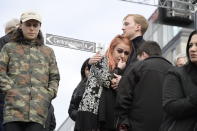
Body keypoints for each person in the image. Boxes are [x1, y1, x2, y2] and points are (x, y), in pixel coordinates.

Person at [0, 11, 60, 131]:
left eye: (35, 25)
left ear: (39, 27)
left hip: (37, 113)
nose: (31, 28)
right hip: (13, 112)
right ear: (21, 26)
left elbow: (54, 77)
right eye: (28, 25)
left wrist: (47, 95)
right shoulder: (9, 48)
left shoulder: (48, 52)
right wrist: (10, 91)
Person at [75, 35, 132, 131]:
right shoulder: (100, 60)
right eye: (119, 51)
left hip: (108, 118)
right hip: (90, 113)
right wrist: (118, 71)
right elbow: (107, 80)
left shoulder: (126, 70)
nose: (122, 55)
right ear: (112, 49)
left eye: (126, 53)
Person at [116, 41, 172, 131]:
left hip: (136, 126)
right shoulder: (174, 70)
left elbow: (122, 97)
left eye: (139, 58)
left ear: (144, 54)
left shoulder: (137, 67)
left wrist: (124, 122)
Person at [160, 30, 197, 131]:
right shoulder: (176, 73)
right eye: (190, 45)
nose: (192, 49)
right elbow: (170, 106)